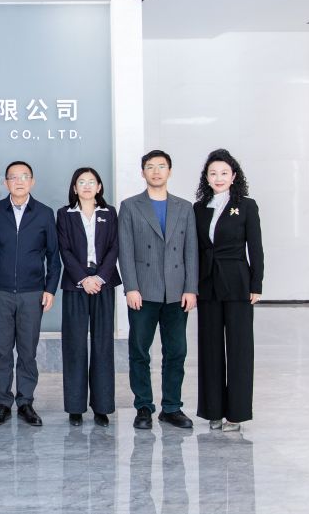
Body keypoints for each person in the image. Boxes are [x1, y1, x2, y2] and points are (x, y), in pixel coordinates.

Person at [118, 150, 198, 429]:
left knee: (176, 351)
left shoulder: (184, 207)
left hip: (177, 291)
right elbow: (125, 251)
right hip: (143, 291)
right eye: (150, 167)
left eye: (161, 166)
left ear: (169, 171)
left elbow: (191, 251)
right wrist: (131, 287)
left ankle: (172, 407)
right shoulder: (130, 206)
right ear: (143, 172)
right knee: (140, 350)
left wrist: (191, 288)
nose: (156, 171)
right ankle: (143, 406)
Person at [0, 161, 60, 427]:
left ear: (32, 181)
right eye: (13, 177)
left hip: (32, 293)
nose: (19, 181)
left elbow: (54, 256)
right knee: (2, 351)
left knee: (27, 352)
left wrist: (50, 289)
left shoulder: (44, 213)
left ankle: (25, 402)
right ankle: (3, 403)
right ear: (6, 182)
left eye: (24, 176)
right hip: (0, 292)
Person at [193, 149, 263, 432]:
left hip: (237, 283)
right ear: (206, 178)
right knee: (209, 348)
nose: (218, 178)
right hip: (207, 284)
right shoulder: (199, 208)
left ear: (234, 176)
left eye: (224, 173)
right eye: (213, 173)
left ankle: (236, 413)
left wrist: (256, 284)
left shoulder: (246, 206)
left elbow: (255, 247)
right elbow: (195, 249)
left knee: (239, 349)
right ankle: (213, 410)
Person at [56, 167, 121, 427]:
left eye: (91, 181)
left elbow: (114, 247)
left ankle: (101, 407)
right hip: (76, 284)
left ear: (99, 187)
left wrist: (100, 278)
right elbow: (65, 249)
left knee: (103, 344)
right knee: (74, 344)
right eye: (81, 182)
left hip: (104, 283)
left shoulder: (109, 213)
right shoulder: (64, 214)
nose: (86, 186)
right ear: (74, 188)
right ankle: (75, 407)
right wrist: (84, 279)